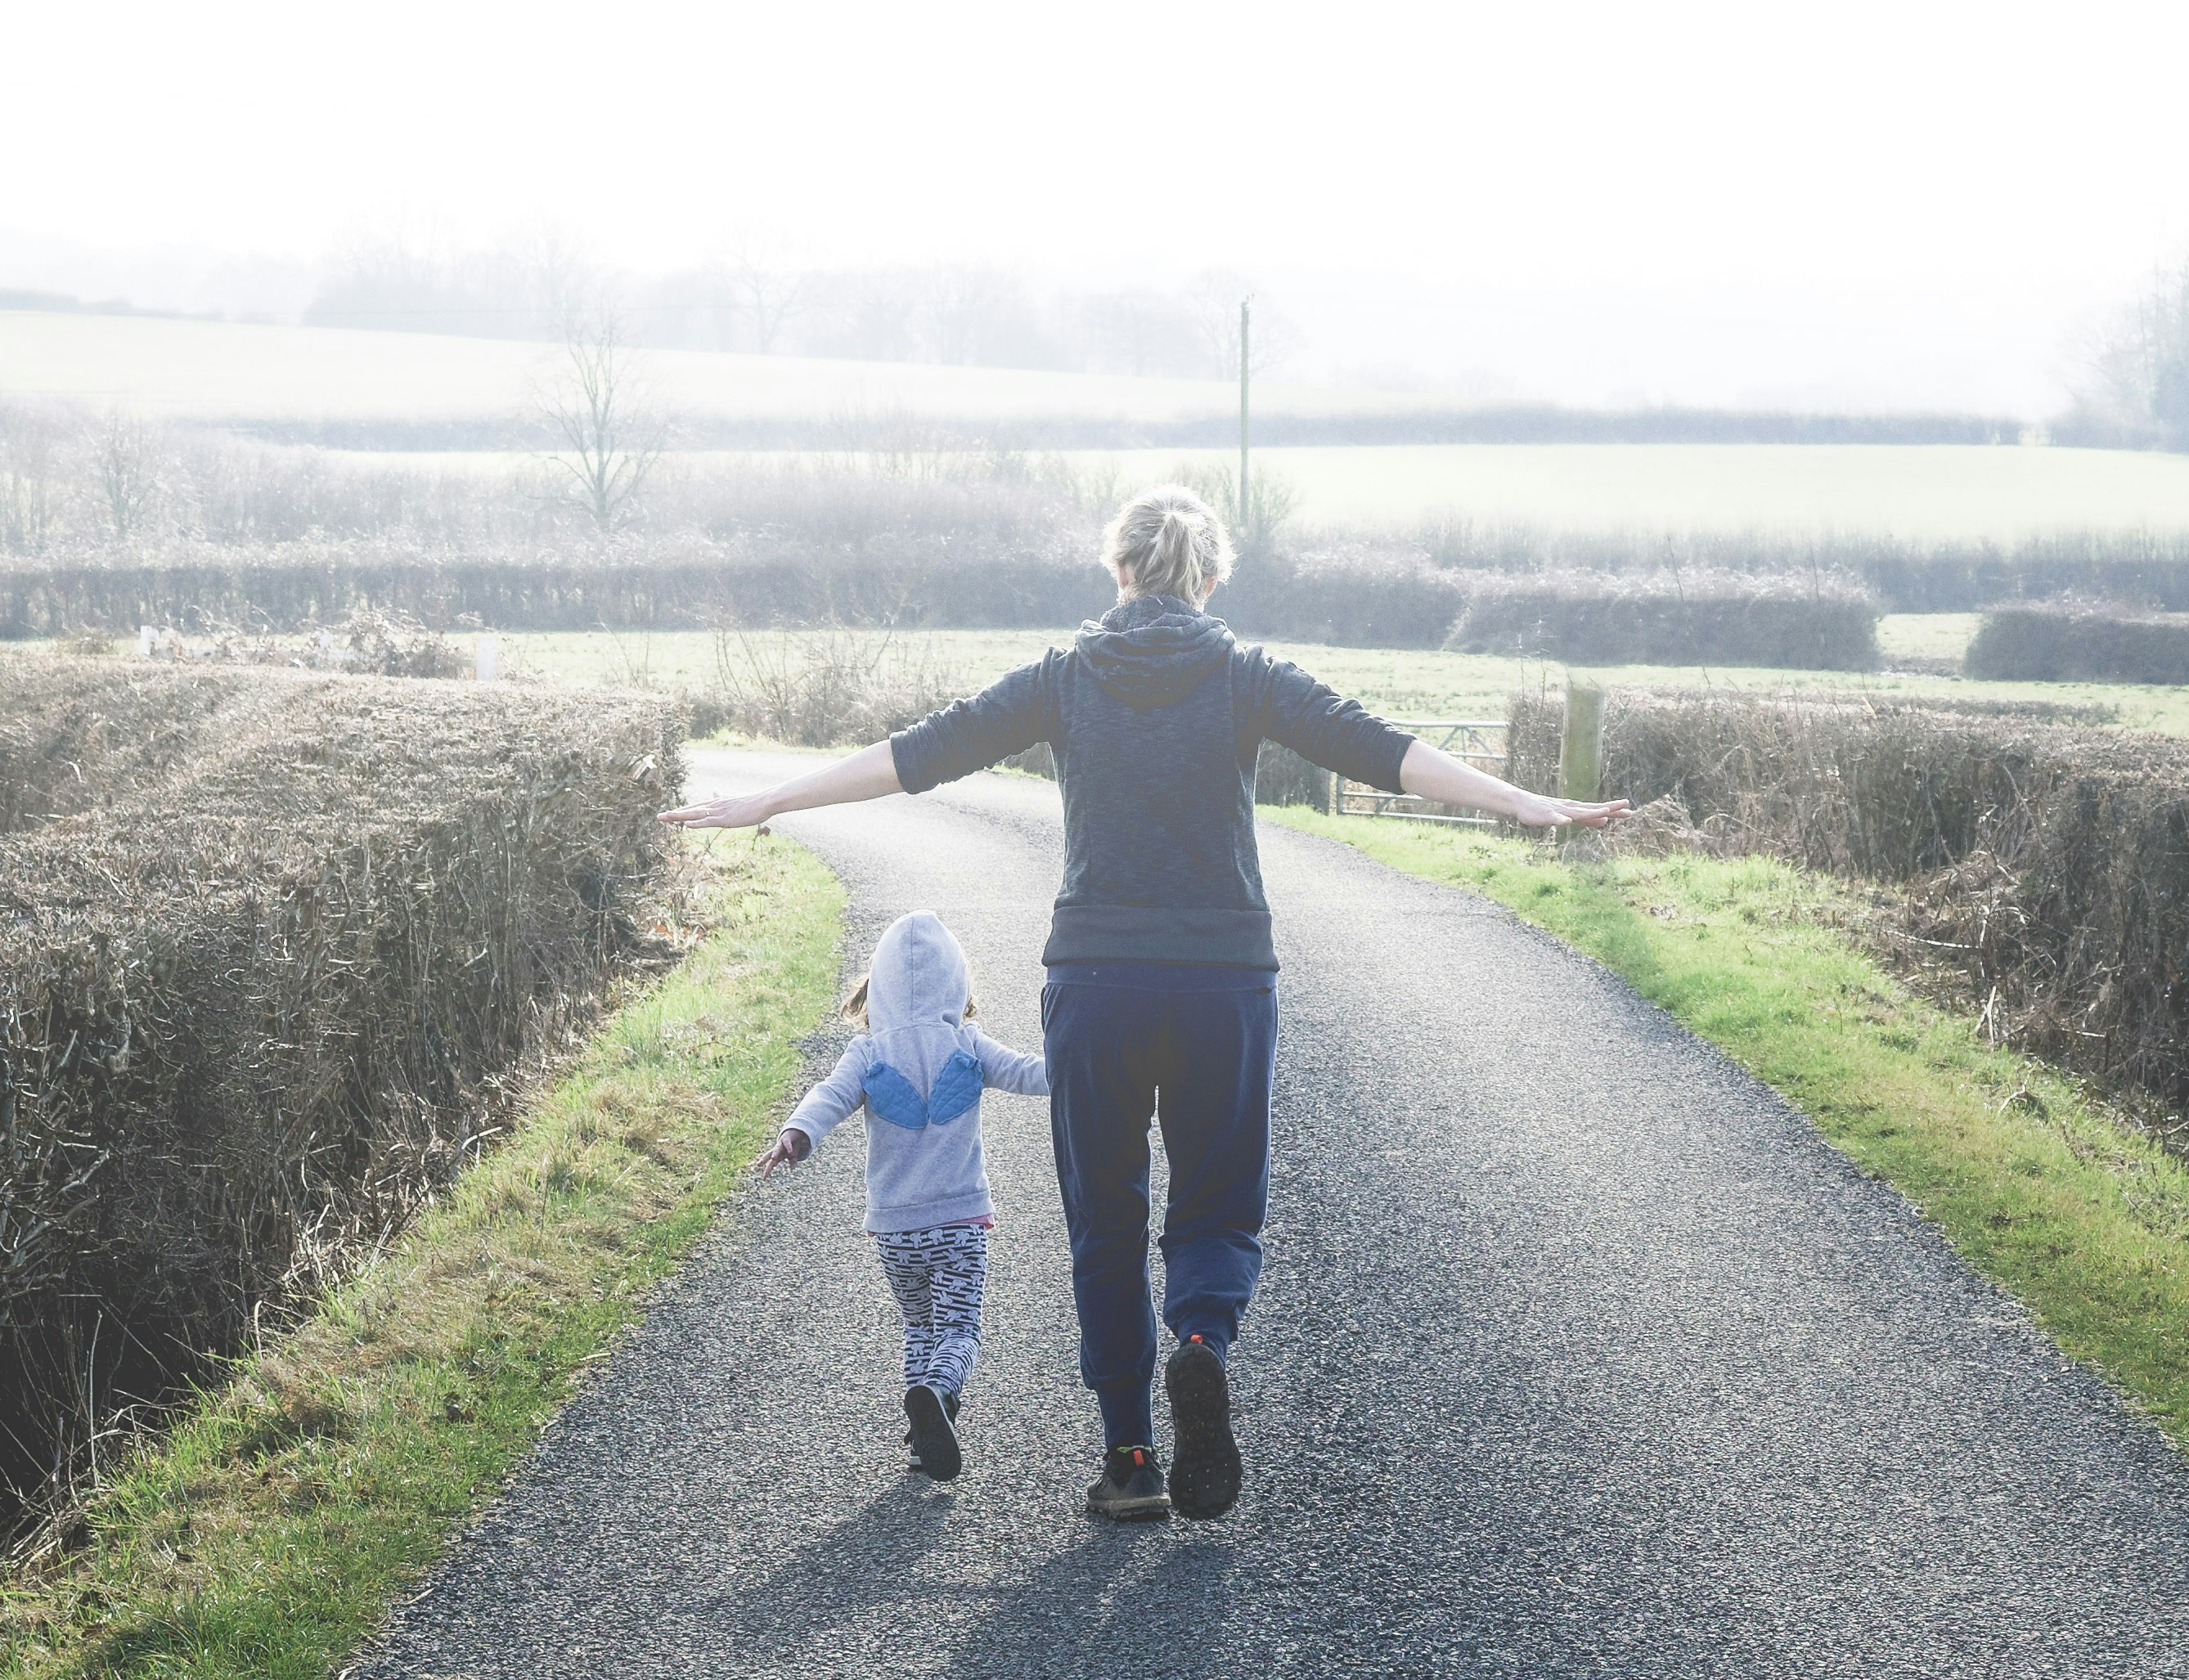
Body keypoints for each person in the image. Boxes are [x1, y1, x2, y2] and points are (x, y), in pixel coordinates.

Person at [673, 485, 1628, 1523]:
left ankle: (1130, 1458)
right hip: (1224, 980)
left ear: (1117, 573)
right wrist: (1525, 802)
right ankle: (1202, 1342)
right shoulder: (1242, 673)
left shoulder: (1064, 677)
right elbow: (1378, 749)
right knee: (1217, 1200)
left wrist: (769, 797)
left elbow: (919, 754)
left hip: (1095, 984)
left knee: (1105, 1216)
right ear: (1209, 578)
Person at [754, 910, 1049, 1483]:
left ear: (879, 987)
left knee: (920, 1326)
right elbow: (1028, 1073)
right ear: (956, 984)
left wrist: (796, 1133)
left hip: (893, 1231)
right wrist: (1090, 1069)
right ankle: (938, 1394)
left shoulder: (867, 1054)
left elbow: (829, 1096)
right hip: (958, 1222)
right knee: (959, 1330)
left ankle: (921, 1438)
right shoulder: (967, 1044)